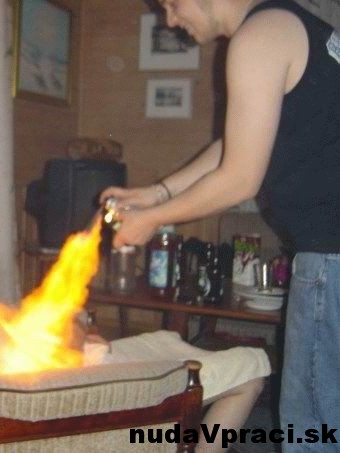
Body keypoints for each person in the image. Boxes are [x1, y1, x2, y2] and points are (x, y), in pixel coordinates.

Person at [0, 194, 269, 452]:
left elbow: (22, 341)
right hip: (74, 400)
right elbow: (38, 379)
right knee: (252, 366)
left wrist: (67, 302)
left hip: (66, 374)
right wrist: (79, 340)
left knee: (168, 337)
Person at [101, 0, 340, 450]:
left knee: (315, 430)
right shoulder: (286, 24)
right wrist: (156, 194)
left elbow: (239, 178)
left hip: (332, 256)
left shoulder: (259, 36)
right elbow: (237, 143)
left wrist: (151, 220)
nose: (170, 20)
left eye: (172, 3)